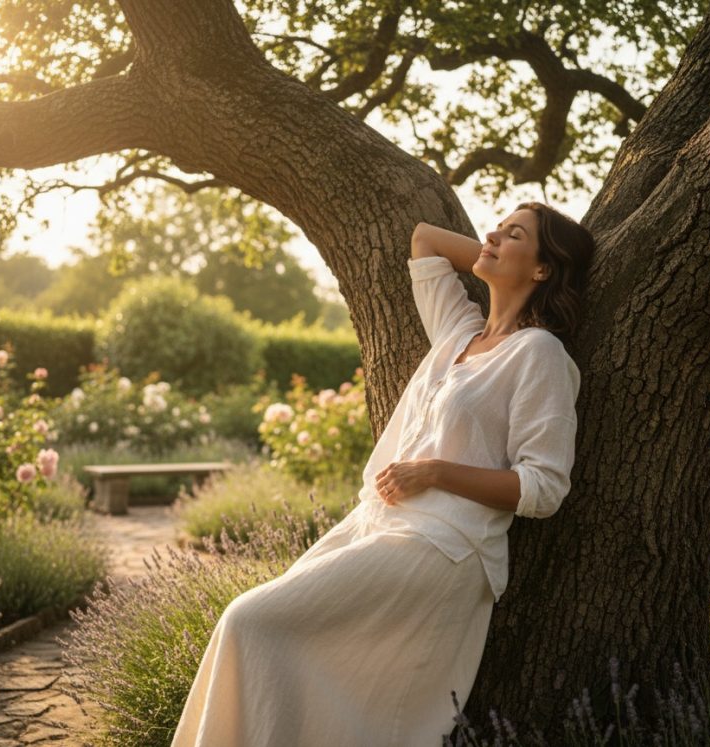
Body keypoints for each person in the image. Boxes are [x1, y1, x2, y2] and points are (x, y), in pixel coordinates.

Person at [170, 201, 594, 747]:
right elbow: (425, 240)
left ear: (543, 269)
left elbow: (544, 488)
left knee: (250, 621)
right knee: (270, 645)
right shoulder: (457, 330)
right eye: (497, 226)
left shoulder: (540, 354)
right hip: (375, 525)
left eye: (513, 234)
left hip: (443, 547)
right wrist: (498, 253)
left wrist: (437, 471)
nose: (490, 235)